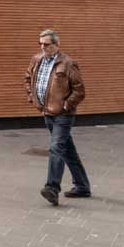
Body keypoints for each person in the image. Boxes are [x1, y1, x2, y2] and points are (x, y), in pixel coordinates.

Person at [24, 28, 90, 206]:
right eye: (40, 44)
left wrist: (67, 105)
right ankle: (82, 186)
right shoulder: (37, 60)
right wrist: (32, 96)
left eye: (46, 44)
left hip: (63, 115)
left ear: (56, 45)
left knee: (56, 148)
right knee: (67, 150)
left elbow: (80, 90)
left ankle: (52, 188)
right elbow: (28, 77)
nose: (43, 47)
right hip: (46, 112)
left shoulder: (68, 63)